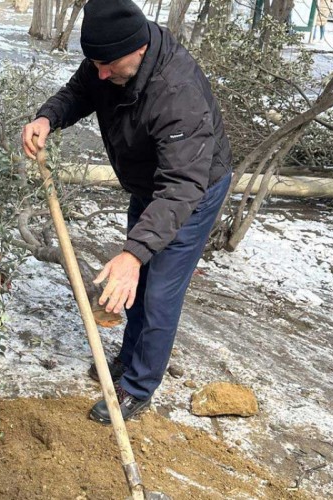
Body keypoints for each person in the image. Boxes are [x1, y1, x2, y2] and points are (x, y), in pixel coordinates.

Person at [22, 0, 233, 425]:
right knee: (133, 279)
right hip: (149, 182)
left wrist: (134, 254)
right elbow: (80, 91)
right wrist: (48, 117)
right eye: (95, 63)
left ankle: (139, 386)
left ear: (137, 49)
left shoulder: (177, 92)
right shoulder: (109, 56)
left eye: (107, 65)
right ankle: (129, 358)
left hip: (191, 190)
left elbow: (180, 187)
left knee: (157, 288)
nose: (100, 72)